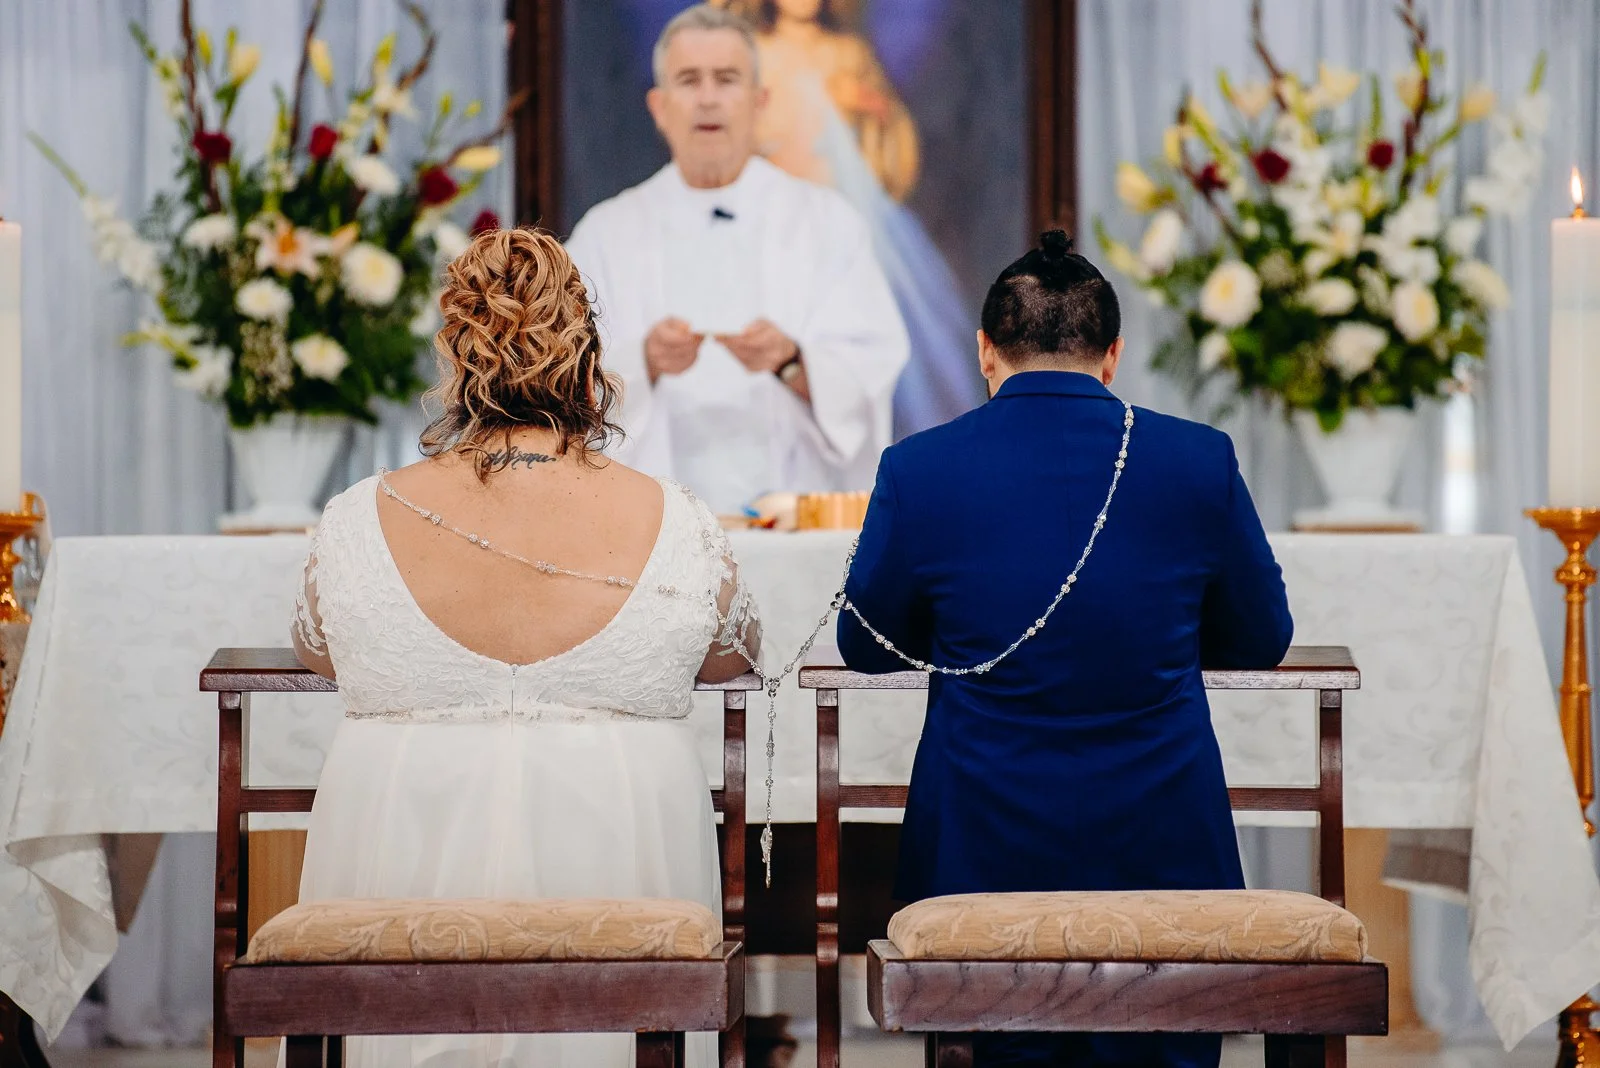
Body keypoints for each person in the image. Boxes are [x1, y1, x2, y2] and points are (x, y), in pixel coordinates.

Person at [289, 227, 760, 1068]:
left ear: (457, 354)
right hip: (617, 845)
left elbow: (320, 650)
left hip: (405, 839)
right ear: (585, 352)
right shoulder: (677, 518)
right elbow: (733, 652)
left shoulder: (358, 516)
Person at [836, 231, 1294, 1068]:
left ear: (985, 352)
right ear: (1113, 356)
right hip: (1164, 851)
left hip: (981, 855)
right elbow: (1262, 638)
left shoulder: (920, 468)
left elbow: (863, 645)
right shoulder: (1199, 459)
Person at [565, 3, 908, 516]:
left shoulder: (826, 223)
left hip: (792, 519)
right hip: (647, 531)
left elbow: (871, 365)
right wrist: (644, 363)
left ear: (759, 101)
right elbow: (559, 378)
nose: (707, 99)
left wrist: (792, 362)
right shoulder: (606, 233)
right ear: (659, 107)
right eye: (689, 80)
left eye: (726, 79)